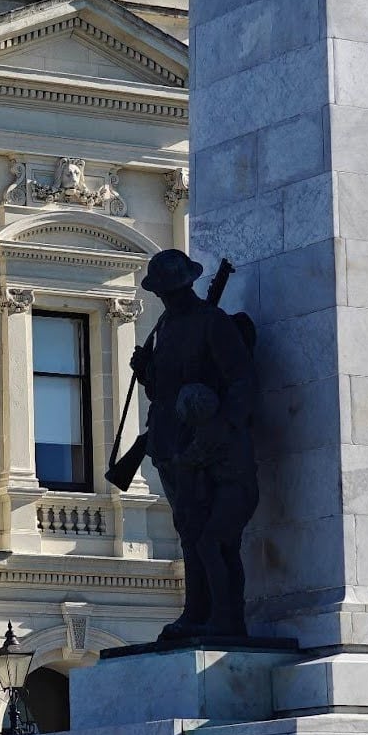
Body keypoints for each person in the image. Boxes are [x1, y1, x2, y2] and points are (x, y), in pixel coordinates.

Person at [132, 249, 259, 641]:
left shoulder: (212, 323)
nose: (166, 298)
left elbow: (241, 381)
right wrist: (146, 372)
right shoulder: (166, 327)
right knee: (188, 531)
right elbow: (162, 391)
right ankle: (196, 611)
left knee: (212, 537)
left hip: (205, 444)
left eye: (170, 290)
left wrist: (221, 428)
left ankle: (222, 615)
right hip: (172, 443)